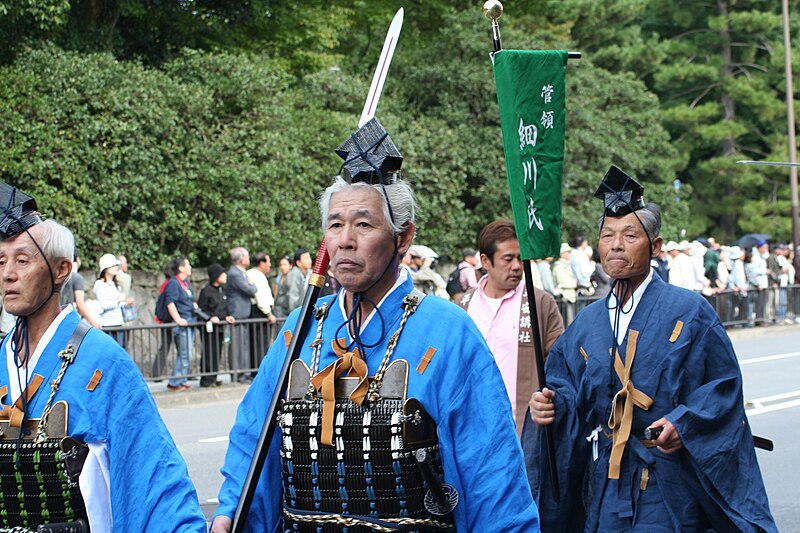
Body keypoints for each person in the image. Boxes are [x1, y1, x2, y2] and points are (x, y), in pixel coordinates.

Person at [211, 120, 538, 532]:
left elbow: (494, 478)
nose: (345, 240)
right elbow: (253, 441)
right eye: (335, 224)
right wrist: (228, 514)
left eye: (363, 225)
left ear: (403, 237)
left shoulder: (449, 332)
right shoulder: (301, 328)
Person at [528, 166, 776, 532]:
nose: (616, 245)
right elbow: (565, 384)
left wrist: (682, 422)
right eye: (608, 235)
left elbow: (723, 386)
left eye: (630, 235)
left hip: (666, 478)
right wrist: (549, 404)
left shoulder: (690, 311)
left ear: (655, 247)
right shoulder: (588, 320)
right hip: (606, 479)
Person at [0, 183, 205, 531]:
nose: (8, 273)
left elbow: (151, 473)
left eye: (23, 260)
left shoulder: (104, 360)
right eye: (1, 261)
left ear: (61, 270)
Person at [458, 220, 564, 435]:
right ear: (485, 261)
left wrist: (547, 399)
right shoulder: (462, 307)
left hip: (523, 428)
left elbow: (561, 365)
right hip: (472, 428)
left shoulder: (540, 304)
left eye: (520, 258)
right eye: (508, 259)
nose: (517, 266)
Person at [198, 263, 235, 387]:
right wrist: (210, 317)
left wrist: (227, 316)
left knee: (217, 352)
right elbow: (201, 309)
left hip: (219, 327)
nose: (225, 276)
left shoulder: (222, 290)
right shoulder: (206, 291)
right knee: (209, 352)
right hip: (209, 328)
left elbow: (224, 307)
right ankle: (206, 379)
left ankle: (213, 377)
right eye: (222, 274)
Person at [164, 256, 198, 391]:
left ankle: (181, 379)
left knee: (187, 352)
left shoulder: (186, 283)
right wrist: (178, 319)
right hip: (182, 322)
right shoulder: (173, 283)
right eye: (188, 265)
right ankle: (174, 381)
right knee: (185, 353)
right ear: (181, 268)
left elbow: (191, 300)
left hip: (190, 320)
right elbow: (170, 302)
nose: (190, 267)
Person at [226, 247, 257, 382]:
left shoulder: (240, 273)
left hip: (243, 313)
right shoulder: (235, 273)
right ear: (241, 259)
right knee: (238, 345)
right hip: (237, 313)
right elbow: (250, 289)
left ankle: (244, 372)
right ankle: (238, 373)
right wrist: (253, 285)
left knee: (243, 345)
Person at [93, 253, 132, 348]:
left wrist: (125, 302)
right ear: (106, 268)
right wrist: (118, 300)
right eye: (112, 266)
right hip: (107, 325)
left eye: (116, 265)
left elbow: (119, 305)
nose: (116, 268)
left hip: (118, 323)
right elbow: (104, 305)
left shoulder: (115, 284)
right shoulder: (99, 284)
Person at [247, 252, 277, 369]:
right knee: (259, 343)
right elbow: (260, 296)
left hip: (260, 310)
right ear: (261, 263)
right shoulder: (256, 275)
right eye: (268, 262)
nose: (269, 265)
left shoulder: (254, 274)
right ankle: (259, 368)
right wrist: (268, 313)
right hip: (260, 312)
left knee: (258, 342)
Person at [283, 248, 312, 314]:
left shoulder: (310, 272)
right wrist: (295, 314)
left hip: (302, 310)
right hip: (287, 312)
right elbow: (293, 296)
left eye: (309, 258)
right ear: (298, 262)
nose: (309, 261)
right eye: (306, 259)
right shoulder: (294, 274)